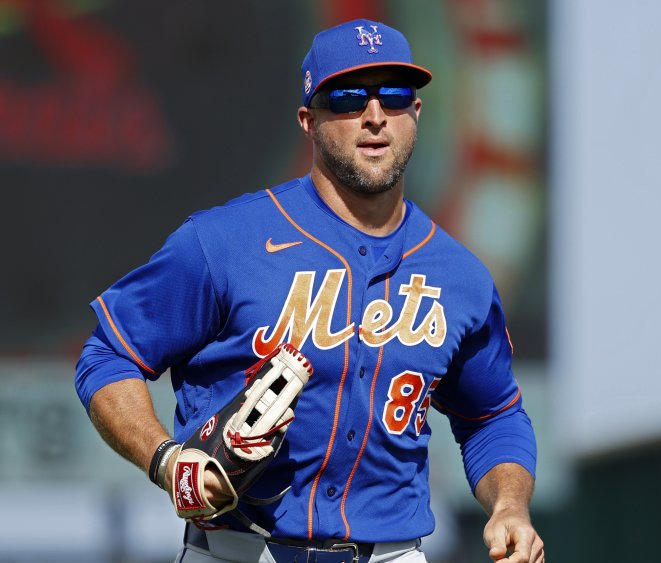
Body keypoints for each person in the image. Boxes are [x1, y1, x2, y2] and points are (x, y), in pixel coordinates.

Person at [75, 18, 544, 563]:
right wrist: (165, 459)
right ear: (308, 120)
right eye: (346, 98)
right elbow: (108, 356)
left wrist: (510, 506)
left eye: (394, 95)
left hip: (393, 552)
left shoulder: (459, 275)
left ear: (416, 113)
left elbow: (492, 415)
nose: (374, 116)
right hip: (240, 550)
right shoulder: (224, 241)